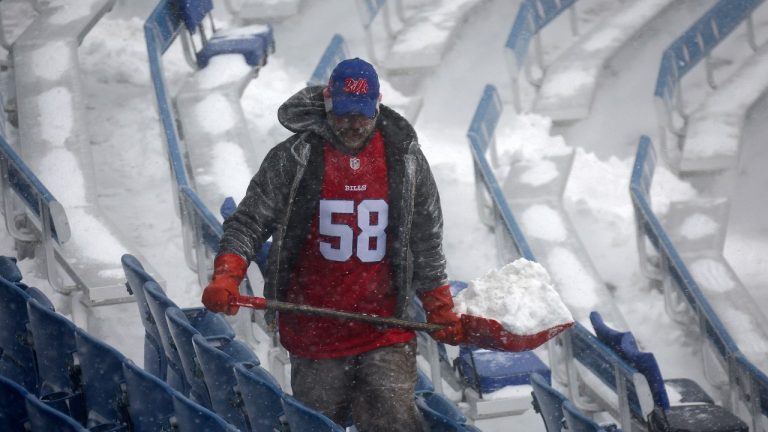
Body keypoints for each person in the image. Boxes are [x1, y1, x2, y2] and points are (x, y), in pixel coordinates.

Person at [201, 57, 463, 431]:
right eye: (343, 115)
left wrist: (438, 304)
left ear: (377, 105)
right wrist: (227, 273)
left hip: (385, 326)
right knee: (320, 425)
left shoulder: (404, 159)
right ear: (327, 103)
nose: (353, 125)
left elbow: (426, 237)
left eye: (361, 115)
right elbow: (248, 221)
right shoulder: (294, 157)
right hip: (314, 331)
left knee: (394, 420)